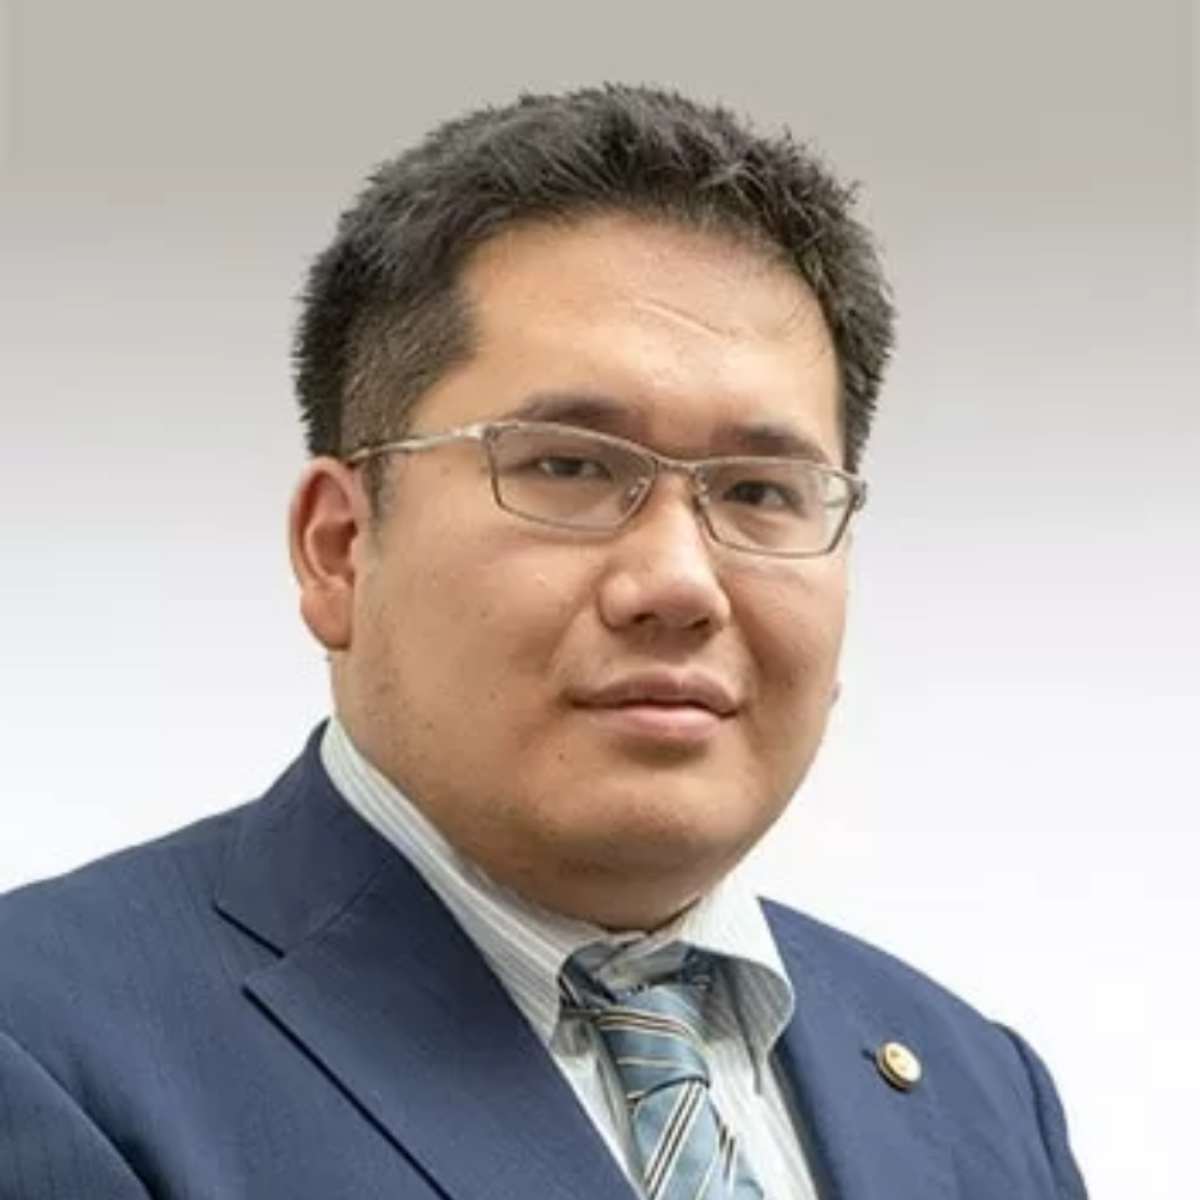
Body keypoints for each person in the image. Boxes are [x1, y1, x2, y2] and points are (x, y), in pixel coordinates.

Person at [0, 85, 1088, 1199]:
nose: (679, 583)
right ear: (339, 550)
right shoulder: (43, 1052)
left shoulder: (978, 1094)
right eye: (568, 467)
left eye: (761, 490)